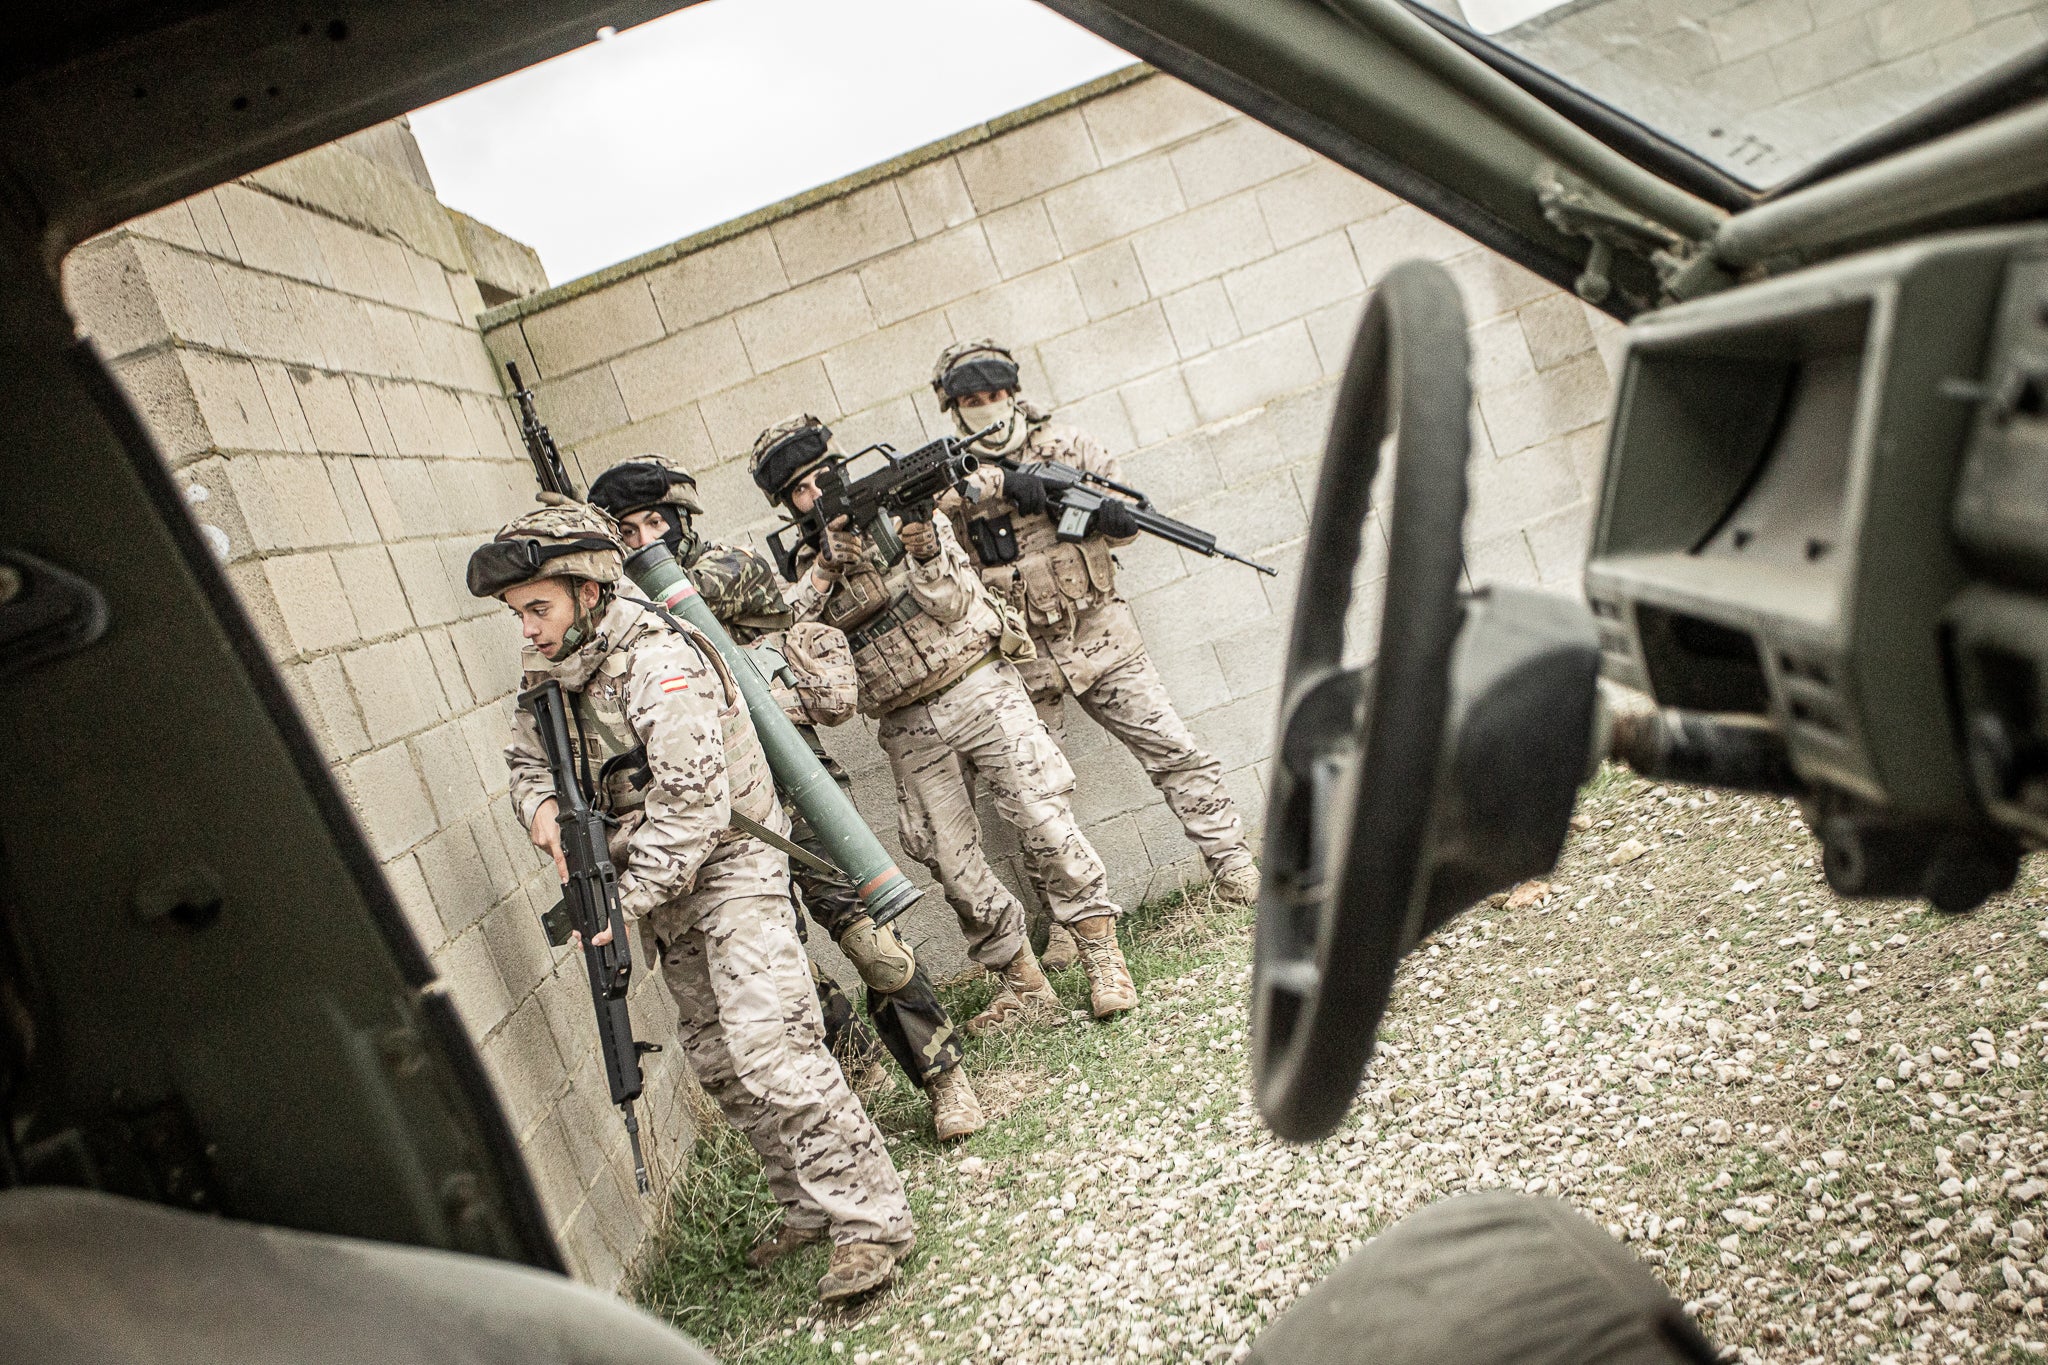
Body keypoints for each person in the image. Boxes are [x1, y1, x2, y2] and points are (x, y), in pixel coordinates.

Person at [467, 502, 914, 1301]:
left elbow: (697, 803)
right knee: (716, 1058)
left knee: (770, 1043)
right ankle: (805, 1203)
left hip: (729, 866)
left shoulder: (656, 661)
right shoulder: (552, 672)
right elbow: (525, 763)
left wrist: (623, 899)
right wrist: (547, 819)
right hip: (660, 886)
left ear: (590, 587)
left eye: (539, 607)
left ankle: (870, 1222)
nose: (527, 629)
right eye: (516, 613)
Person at [588, 454, 985, 1143]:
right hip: (720, 805)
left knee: (873, 942)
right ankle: (861, 1079)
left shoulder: (724, 569)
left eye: (654, 523)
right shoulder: (615, 616)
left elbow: (697, 596)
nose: (642, 541)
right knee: (784, 966)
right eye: (626, 530)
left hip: (794, 784)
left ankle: (944, 1074)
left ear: (680, 522)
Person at [749, 415, 1139, 1025]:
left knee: (1042, 814)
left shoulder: (908, 517)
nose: (811, 495)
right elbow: (793, 646)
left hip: (977, 683)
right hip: (905, 721)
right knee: (948, 862)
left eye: (818, 478)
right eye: (796, 491)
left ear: (840, 470)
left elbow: (954, 603)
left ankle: (1100, 955)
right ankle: (1027, 988)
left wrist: (925, 550)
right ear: (785, 505)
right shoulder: (801, 569)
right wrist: (824, 572)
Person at [931, 339, 1261, 972]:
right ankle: (1066, 925)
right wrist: (991, 489)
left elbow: (1130, 518)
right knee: (1033, 802)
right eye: (971, 401)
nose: (986, 408)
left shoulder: (1069, 448)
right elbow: (935, 555)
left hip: (1101, 638)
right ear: (954, 409)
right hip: (1019, 662)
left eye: (994, 395)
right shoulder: (948, 477)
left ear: (1014, 393)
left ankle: (1233, 864)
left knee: (1173, 749)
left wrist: (1067, 501)